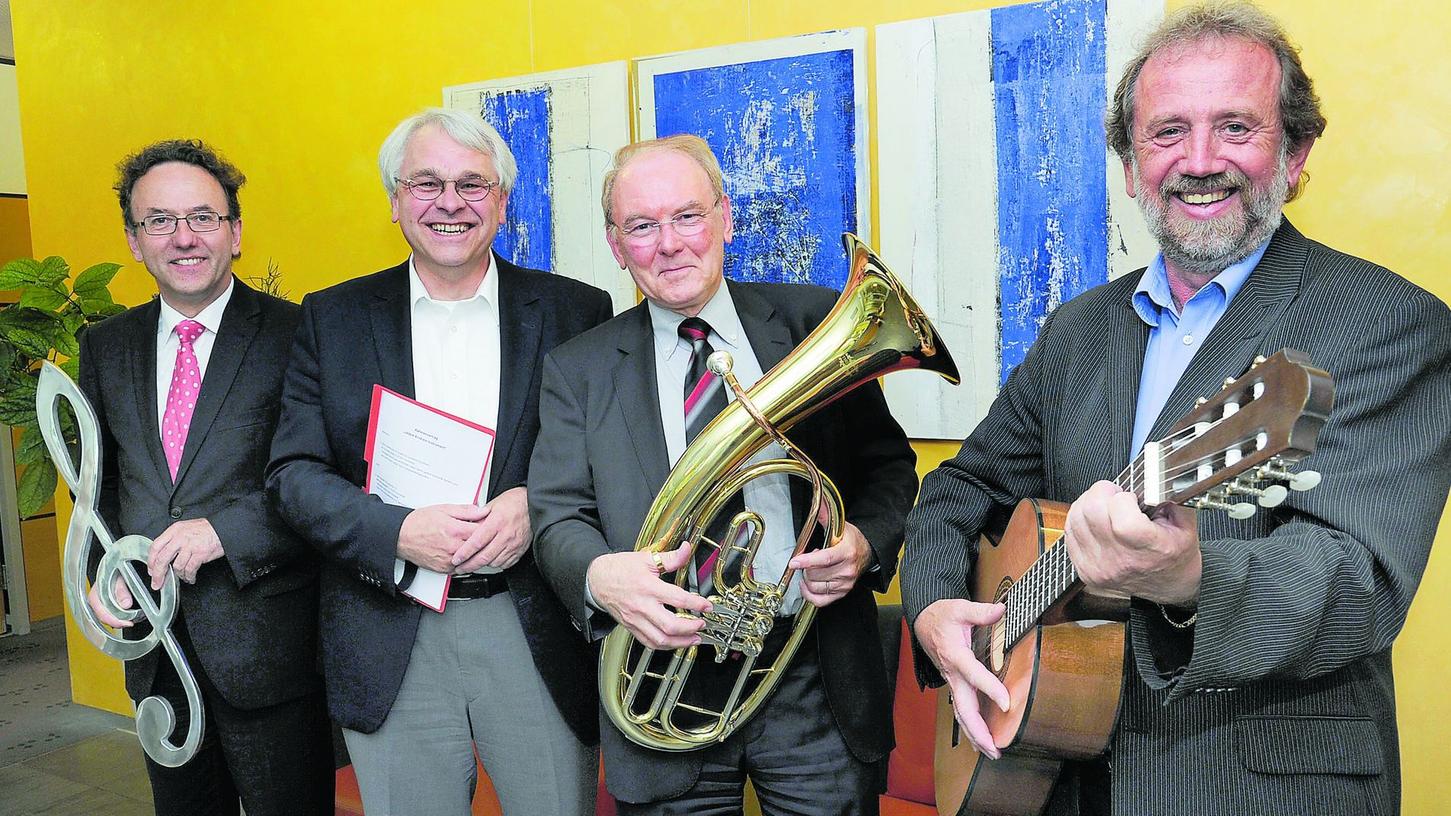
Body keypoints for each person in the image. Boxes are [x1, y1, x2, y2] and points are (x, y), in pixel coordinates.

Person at [902, 3, 1451, 815]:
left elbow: (1357, 586)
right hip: (1056, 772)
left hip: (1254, 790)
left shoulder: (1386, 320)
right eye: (1166, 133)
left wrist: (1189, 577)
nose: (1198, 162)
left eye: (1235, 127)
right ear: (1130, 167)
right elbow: (960, 489)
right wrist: (933, 609)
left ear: (1295, 153)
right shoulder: (1077, 330)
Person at [528, 134, 918, 815]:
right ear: (616, 246)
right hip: (662, 680)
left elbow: (887, 469)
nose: (669, 244)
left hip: (811, 676)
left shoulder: (813, 323)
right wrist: (600, 577)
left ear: (725, 219)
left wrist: (862, 544)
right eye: (641, 227)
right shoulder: (578, 368)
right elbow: (557, 514)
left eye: (687, 216)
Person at [265, 107, 611, 816]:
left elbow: (610, 456)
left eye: (471, 184)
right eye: (425, 183)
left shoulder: (576, 311)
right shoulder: (331, 317)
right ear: (394, 201)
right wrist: (395, 531)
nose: (449, 203)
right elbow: (292, 476)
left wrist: (533, 503)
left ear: (502, 202)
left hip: (535, 625)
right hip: (389, 629)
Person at [80, 139, 332, 816]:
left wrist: (227, 531)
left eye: (202, 217)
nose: (183, 237)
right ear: (134, 240)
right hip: (156, 653)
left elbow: (330, 477)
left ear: (236, 232)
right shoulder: (105, 346)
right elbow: (102, 488)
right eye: (159, 220)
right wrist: (104, 574)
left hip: (271, 651)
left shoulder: (301, 334)